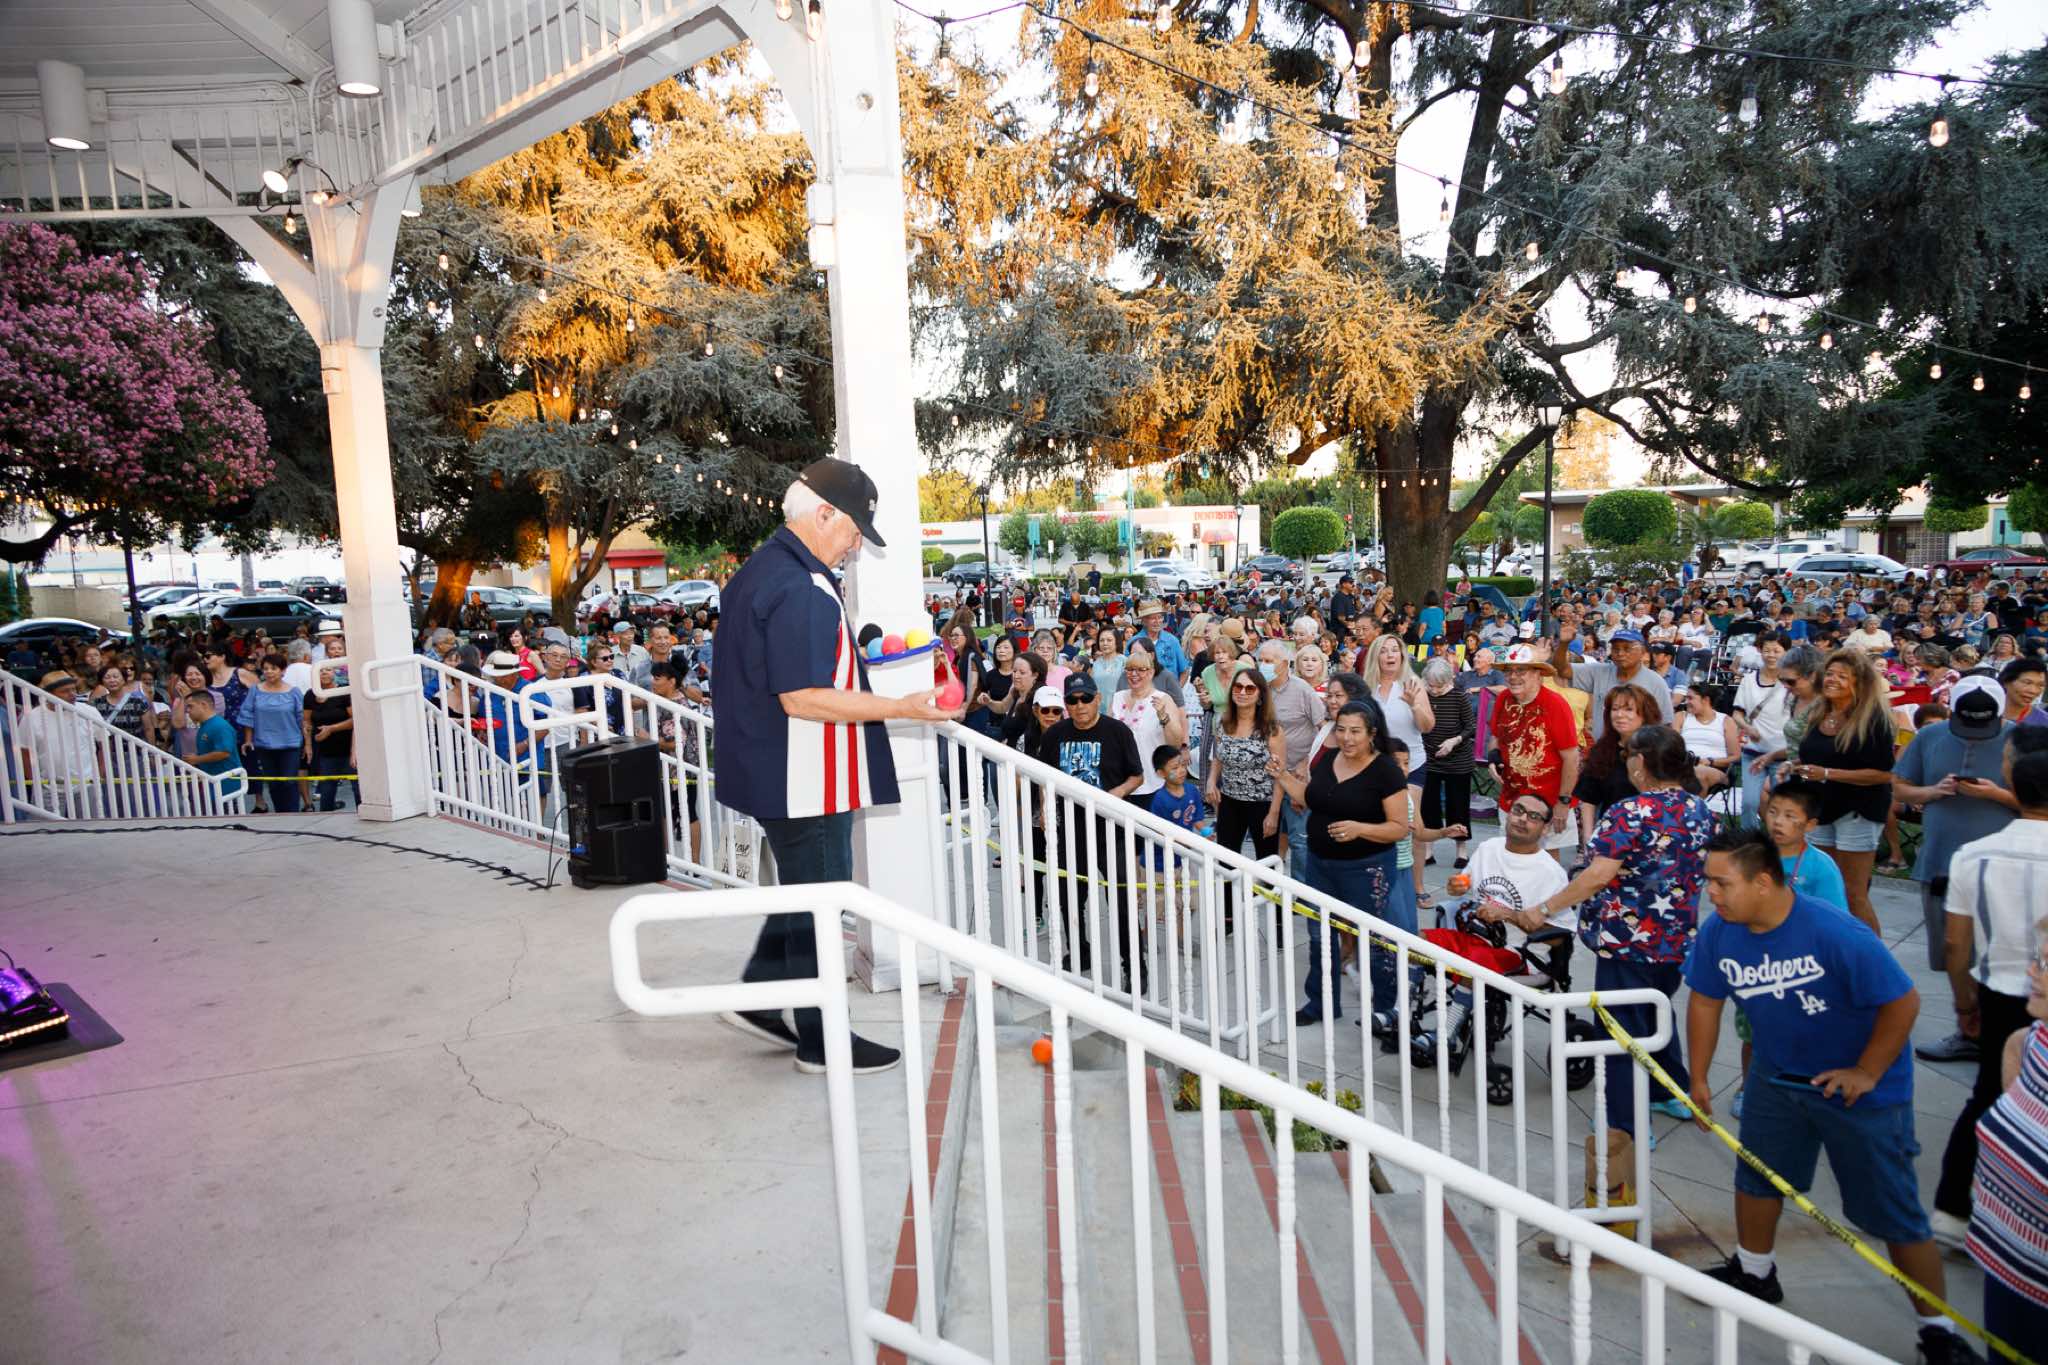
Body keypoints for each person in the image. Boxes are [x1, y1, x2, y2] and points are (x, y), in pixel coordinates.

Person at [1688, 829, 1979, 1365]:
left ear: (1763, 881)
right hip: (1776, 1079)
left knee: (1893, 1212)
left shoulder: (1836, 932)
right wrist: (1699, 1078)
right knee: (1757, 1177)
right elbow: (1705, 1000)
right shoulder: (1719, 933)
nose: (1711, 892)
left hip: (1860, 1095)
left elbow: (1903, 1002)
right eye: (1709, 881)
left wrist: (1866, 1071)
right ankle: (1754, 1272)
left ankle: (1939, 1331)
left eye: (1721, 883)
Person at [709, 459, 956, 1076]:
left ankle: (759, 997)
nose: (854, 546)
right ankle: (822, 1041)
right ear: (823, 514)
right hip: (806, 778)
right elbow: (803, 698)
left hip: (774, 771)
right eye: (853, 531)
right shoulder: (804, 588)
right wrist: (900, 707)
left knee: (804, 893)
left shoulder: (760, 571)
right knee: (822, 900)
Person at [1542, 725, 1716, 1145]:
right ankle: (1668, 1090)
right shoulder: (1699, 808)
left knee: (1620, 1029)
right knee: (1656, 1012)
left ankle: (1626, 1121)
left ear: (1641, 763)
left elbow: (1598, 875)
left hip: (1628, 941)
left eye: (1628, 756)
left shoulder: (1630, 812)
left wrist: (1545, 909)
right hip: (1675, 938)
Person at [1931, 726, 2048, 1250]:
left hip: (1998, 990)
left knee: (1988, 1094)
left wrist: (1964, 1002)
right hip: (2029, 992)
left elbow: (1956, 944)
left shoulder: (1974, 854)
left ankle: (1952, 1210)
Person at [1890, 676, 2017, 1067]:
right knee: (1953, 951)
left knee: (2001, 953)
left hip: (2005, 866)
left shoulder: (2023, 740)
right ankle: (1969, 1030)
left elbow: (2038, 804)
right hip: (1942, 861)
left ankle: (2001, 1035)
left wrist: (1995, 794)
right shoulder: (1930, 737)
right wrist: (1932, 792)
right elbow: (1898, 786)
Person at [1274, 698, 1409, 1026]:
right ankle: (1321, 1003)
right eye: (1342, 730)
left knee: (1374, 942)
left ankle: (1386, 1012)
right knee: (1320, 937)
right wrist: (1282, 776)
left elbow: (1399, 827)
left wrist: (1360, 829)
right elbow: (1312, 797)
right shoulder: (1328, 759)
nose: (1347, 738)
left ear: (1372, 734)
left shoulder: (1386, 771)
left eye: (1355, 731)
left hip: (1367, 869)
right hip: (1320, 865)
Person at [1963, 913, 2048, 1348]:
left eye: (2046, 965)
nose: (2033, 971)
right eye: (2038, 958)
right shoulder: (2028, 1044)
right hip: (2002, 1270)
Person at [1037, 673, 1147, 986]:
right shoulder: (1054, 735)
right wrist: (1045, 808)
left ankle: (1134, 966)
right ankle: (1079, 950)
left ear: (1098, 698)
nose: (1079, 705)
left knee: (1122, 901)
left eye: (1085, 698)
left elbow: (1137, 775)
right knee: (1069, 897)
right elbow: (1044, 776)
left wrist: (1117, 793)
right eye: (1072, 701)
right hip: (1071, 830)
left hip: (1111, 830)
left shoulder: (1117, 731)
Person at [1788, 647, 1899, 935]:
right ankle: (1831, 948)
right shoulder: (1820, 712)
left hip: (1858, 810)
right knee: (1822, 887)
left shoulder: (1874, 719)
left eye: (1842, 676)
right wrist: (1794, 765)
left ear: (1858, 683)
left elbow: (1883, 773)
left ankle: (1872, 954)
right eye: (1830, 674)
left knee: (1852, 892)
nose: (1832, 680)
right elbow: (1821, 756)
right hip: (1821, 808)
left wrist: (1827, 774)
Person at [1489, 643, 1582, 858]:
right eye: (1509, 671)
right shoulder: (1503, 699)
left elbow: (1571, 757)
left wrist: (1563, 802)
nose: (1513, 677)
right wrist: (1493, 757)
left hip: (1548, 801)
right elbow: (1495, 737)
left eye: (1521, 670)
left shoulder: (1555, 704)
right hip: (1512, 798)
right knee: (1510, 855)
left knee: (1545, 859)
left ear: (1538, 673)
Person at [1259, 638, 1325, 880]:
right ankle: (1269, 883)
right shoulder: (1258, 690)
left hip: (1295, 776)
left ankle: (1303, 891)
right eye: (1261, 660)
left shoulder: (1302, 691)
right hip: (1262, 778)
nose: (1263, 665)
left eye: (1269, 661)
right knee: (1268, 834)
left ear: (1285, 664)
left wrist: (1306, 762)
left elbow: (1324, 729)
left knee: (1299, 839)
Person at [1205, 663, 1284, 863]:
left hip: (1262, 804)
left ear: (1260, 695)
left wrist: (1274, 814)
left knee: (1266, 864)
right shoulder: (1223, 722)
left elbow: (1280, 776)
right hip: (1229, 801)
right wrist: (1211, 781)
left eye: (1249, 688)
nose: (1242, 692)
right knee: (1226, 861)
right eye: (1238, 687)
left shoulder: (1271, 729)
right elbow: (1218, 756)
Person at [1559, 625, 1674, 738]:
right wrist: (1563, 644)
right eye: (1615, 648)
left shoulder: (1656, 682)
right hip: (1603, 746)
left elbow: (1665, 724)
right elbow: (1563, 670)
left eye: (1627, 648)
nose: (1620, 653)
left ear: (1643, 652)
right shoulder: (1599, 671)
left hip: (1640, 748)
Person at [1418, 657, 1476, 870]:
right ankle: (1428, 850)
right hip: (1430, 759)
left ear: (1449, 680)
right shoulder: (1423, 695)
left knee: (1458, 806)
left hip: (1458, 760)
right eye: (1431, 685)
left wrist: (1454, 741)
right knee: (1428, 806)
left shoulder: (1459, 696)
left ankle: (1461, 850)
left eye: (1439, 686)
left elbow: (1471, 727)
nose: (1435, 690)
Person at [1110, 649, 1187, 807]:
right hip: (1121, 783)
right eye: (1130, 669)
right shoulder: (1117, 698)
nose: (1134, 674)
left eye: (1141, 669)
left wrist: (1163, 717)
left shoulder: (1163, 699)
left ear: (1151, 672)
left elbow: (1175, 743)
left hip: (1153, 783)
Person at [1733, 634, 1795, 828]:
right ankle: (1750, 839)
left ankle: (1780, 840)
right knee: (1749, 802)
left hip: (1783, 753)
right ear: (1759, 651)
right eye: (1767, 650)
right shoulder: (1749, 680)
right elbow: (1737, 713)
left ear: (1786, 652)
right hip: (1753, 752)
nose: (1771, 655)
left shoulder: (1792, 682)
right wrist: (1747, 727)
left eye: (1776, 651)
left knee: (1783, 804)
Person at [1364, 634, 1434, 785]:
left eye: (1395, 650)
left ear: (1402, 655)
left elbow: (1427, 727)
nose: (1390, 655)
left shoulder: (1413, 683)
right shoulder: (1366, 687)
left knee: (1408, 802)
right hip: (1374, 766)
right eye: (1383, 651)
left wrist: (1414, 706)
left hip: (1411, 765)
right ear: (1375, 657)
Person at [304, 662, 356, 811]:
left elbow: (356, 720)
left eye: (328, 669)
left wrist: (331, 729)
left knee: (358, 789)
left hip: (349, 749)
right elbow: (307, 721)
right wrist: (308, 745)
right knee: (326, 793)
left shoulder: (343, 692)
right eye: (320, 671)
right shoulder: (310, 695)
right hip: (325, 752)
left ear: (335, 673)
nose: (324, 673)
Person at [1675, 683, 1740, 793]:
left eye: (1690, 698)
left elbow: (1735, 756)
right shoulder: (1681, 717)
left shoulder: (1725, 720)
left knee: (1698, 775)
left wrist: (1710, 762)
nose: (1686, 702)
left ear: (1705, 700)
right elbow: (1673, 747)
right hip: (1685, 765)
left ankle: (1694, 804)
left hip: (1716, 768)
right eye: (1686, 698)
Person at [182, 689, 243, 801]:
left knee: (224, 812)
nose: (188, 711)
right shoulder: (206, 725)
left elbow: (224, 752)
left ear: (203, 705)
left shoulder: (219, 726)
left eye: (190, 706)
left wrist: (196, 759)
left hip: (226, 784)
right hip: (215, 782)